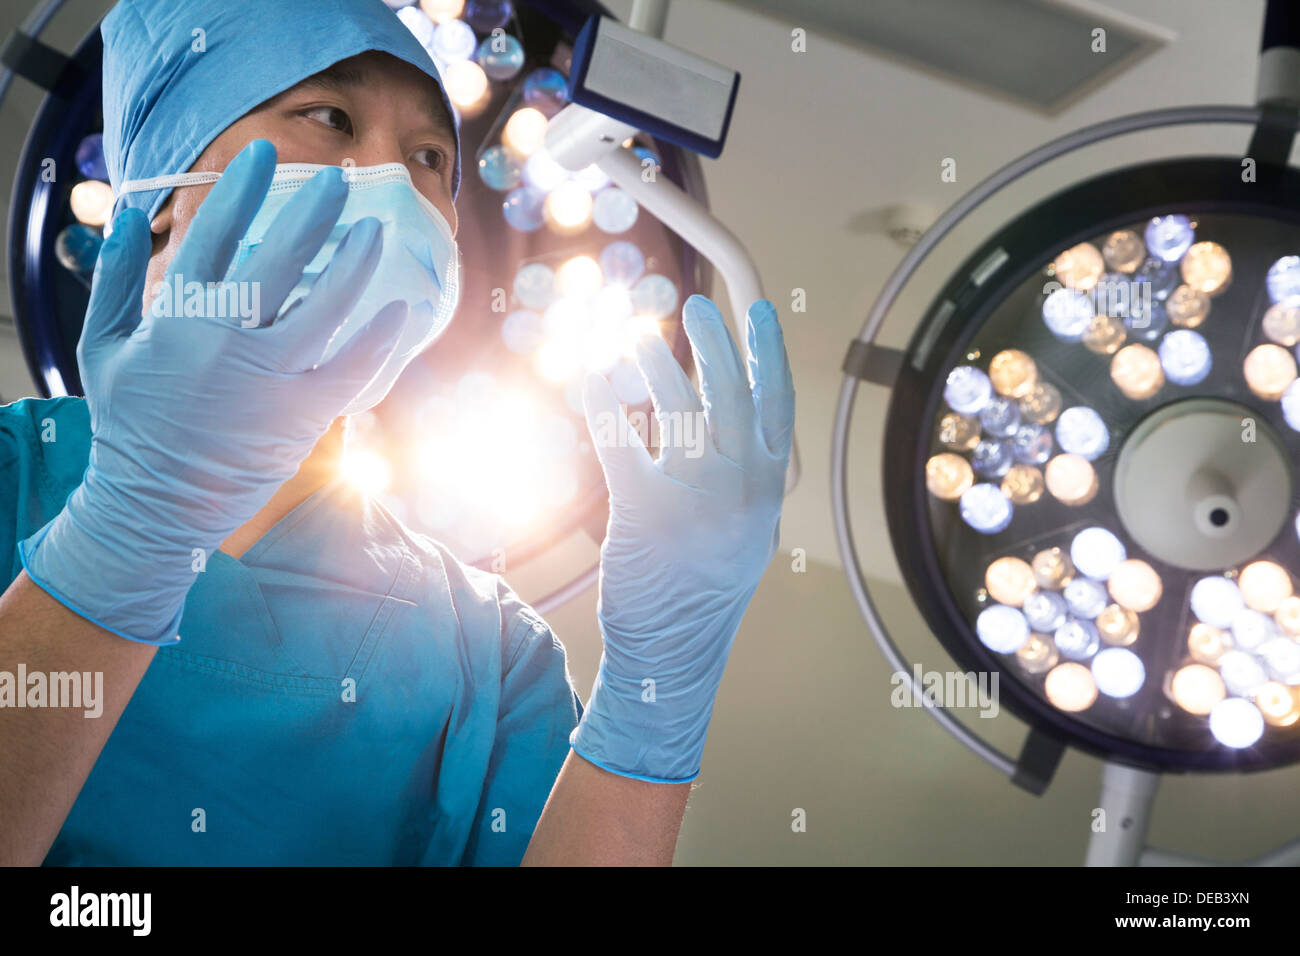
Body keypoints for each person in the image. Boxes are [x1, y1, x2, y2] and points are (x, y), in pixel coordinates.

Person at [0, 0, 794, 866]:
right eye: (331, 118)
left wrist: (655, 700)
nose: (390, 180)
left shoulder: (488, 657)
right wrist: (131, 525)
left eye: (428, 159)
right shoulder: (12, 477)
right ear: (163, 198)